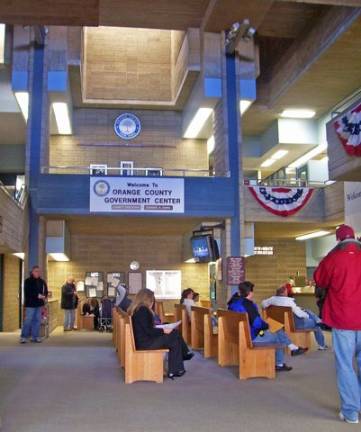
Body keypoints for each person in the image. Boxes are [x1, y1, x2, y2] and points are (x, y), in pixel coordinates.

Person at [314, 224, 361, 424]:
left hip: (343, 319)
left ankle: (351, 412)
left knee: (345, 365)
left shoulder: (333, 258)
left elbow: (319, 279)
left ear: (338, 240)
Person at [228, 281, 308, 372]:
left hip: (238, 333)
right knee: (277, 336)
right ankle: (280, 363)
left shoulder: (234, 303)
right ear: (250, 293)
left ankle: (293, 348)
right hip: (253, 336)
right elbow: (257, 324)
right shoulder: (248, 305)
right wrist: (266, 325)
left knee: (276, 329)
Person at [130, 288, 192, 379]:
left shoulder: (138, 309)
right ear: (148, 299)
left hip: (143, 340)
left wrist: (163, 328)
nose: (153, 302)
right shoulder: (143, 310)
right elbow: (149, 331)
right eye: (152, 299)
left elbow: (147, 328)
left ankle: (178, 367)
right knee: (174, 335)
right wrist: (163, 330)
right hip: (145, 343)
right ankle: (179, 364)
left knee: (173, 333)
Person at [261, 286, 327, 350]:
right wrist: (307, 316)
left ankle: (318, 320)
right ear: (284, 293)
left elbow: (263, 304)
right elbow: (300, 314)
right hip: (296, 324)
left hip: (281, 323)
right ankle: (322, 345)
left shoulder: (272, 299)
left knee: (307, 310)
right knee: (316, 324)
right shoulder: (289, 302)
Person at [20, 265, 48, 344]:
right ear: (32, 272)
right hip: (30, 304)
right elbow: (28, 292)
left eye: (39, 271)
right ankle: (23, 337)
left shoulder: (42, 281)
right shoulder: (27, 281)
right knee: (28, 320)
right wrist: (37, 295)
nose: (38, 272)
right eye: (36, 271)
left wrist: (44, 296)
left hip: (39, 304)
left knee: (37, 321)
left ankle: (34, 337)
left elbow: (45, 291)